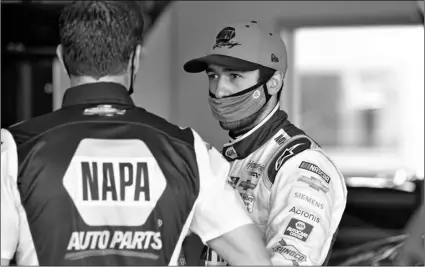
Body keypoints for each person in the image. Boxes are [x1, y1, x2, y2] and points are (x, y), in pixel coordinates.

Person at [0, 3, 272, 266]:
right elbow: (255, 261)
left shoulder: (13, 149)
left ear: (61, 58)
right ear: (135, 58)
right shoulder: (190, 151)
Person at [183, 20, 348, 265]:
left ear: (274, 82)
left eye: (234, 76)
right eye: (213, 76)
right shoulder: (226, 159)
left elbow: (290, 260)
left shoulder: (301, 164)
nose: (219, 91)